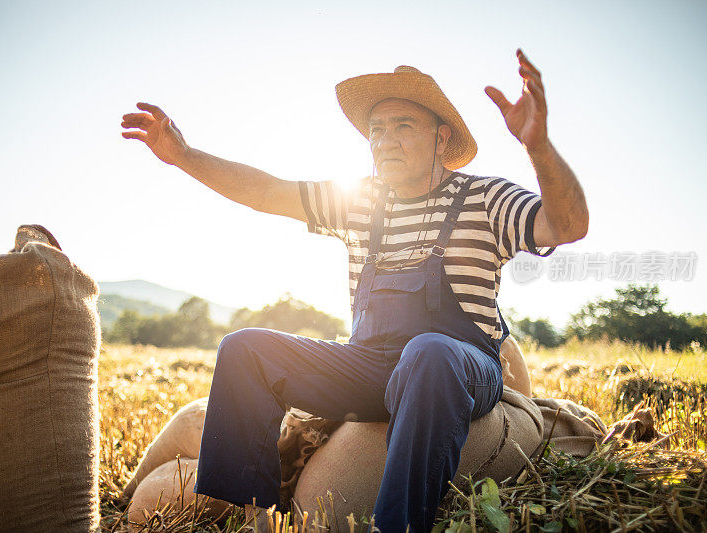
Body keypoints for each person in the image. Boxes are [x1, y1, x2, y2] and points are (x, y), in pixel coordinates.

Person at [121, 48, 588, 532]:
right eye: (377, 129)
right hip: (369, 363)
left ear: (440, 136)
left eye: (403, 125)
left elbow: (567, 224)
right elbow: (264, 191)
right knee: (244, 349)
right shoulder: (359, 201)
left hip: (460, 366)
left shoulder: (485, 198)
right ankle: (258, 521)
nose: (385, 140)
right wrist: (184, 156)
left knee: (428, 353)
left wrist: (538, 147)